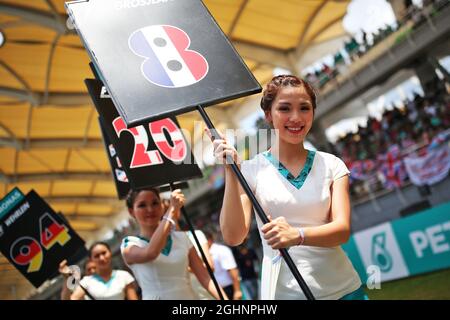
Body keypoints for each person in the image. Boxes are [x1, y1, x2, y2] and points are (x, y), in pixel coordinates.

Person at [207, 75, 366, 300]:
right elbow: (233, 236)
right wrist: (231, 172)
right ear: (268, 115)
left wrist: (297, 235)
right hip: (286, 295)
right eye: (284, 108)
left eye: (304, 108)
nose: (295, 117)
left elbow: (341, 231)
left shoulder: (332, 164)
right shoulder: (250, 170)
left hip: (345, 290)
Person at [120, 188, 226, 300]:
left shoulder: (182, 238)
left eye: (155, 203)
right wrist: (171, 210)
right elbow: (151, 253)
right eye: (142, 205)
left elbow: (205, 277)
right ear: (131, 211)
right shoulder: (129, 244)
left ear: (161, 206)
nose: (150, 209)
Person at [59, 242, 138, 300]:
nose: (102, 258)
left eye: (104, 253)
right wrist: (67, 279)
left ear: (110, 253)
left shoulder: (124, 276)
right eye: (97, 256)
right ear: (91, 260)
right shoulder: (86, 282)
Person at [205, 231, 242, 300]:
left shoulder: (221, 250)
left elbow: (232, 269)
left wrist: (237, 290)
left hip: (228, 288)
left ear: (209, 240)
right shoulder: (205, 253)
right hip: (215, 290)